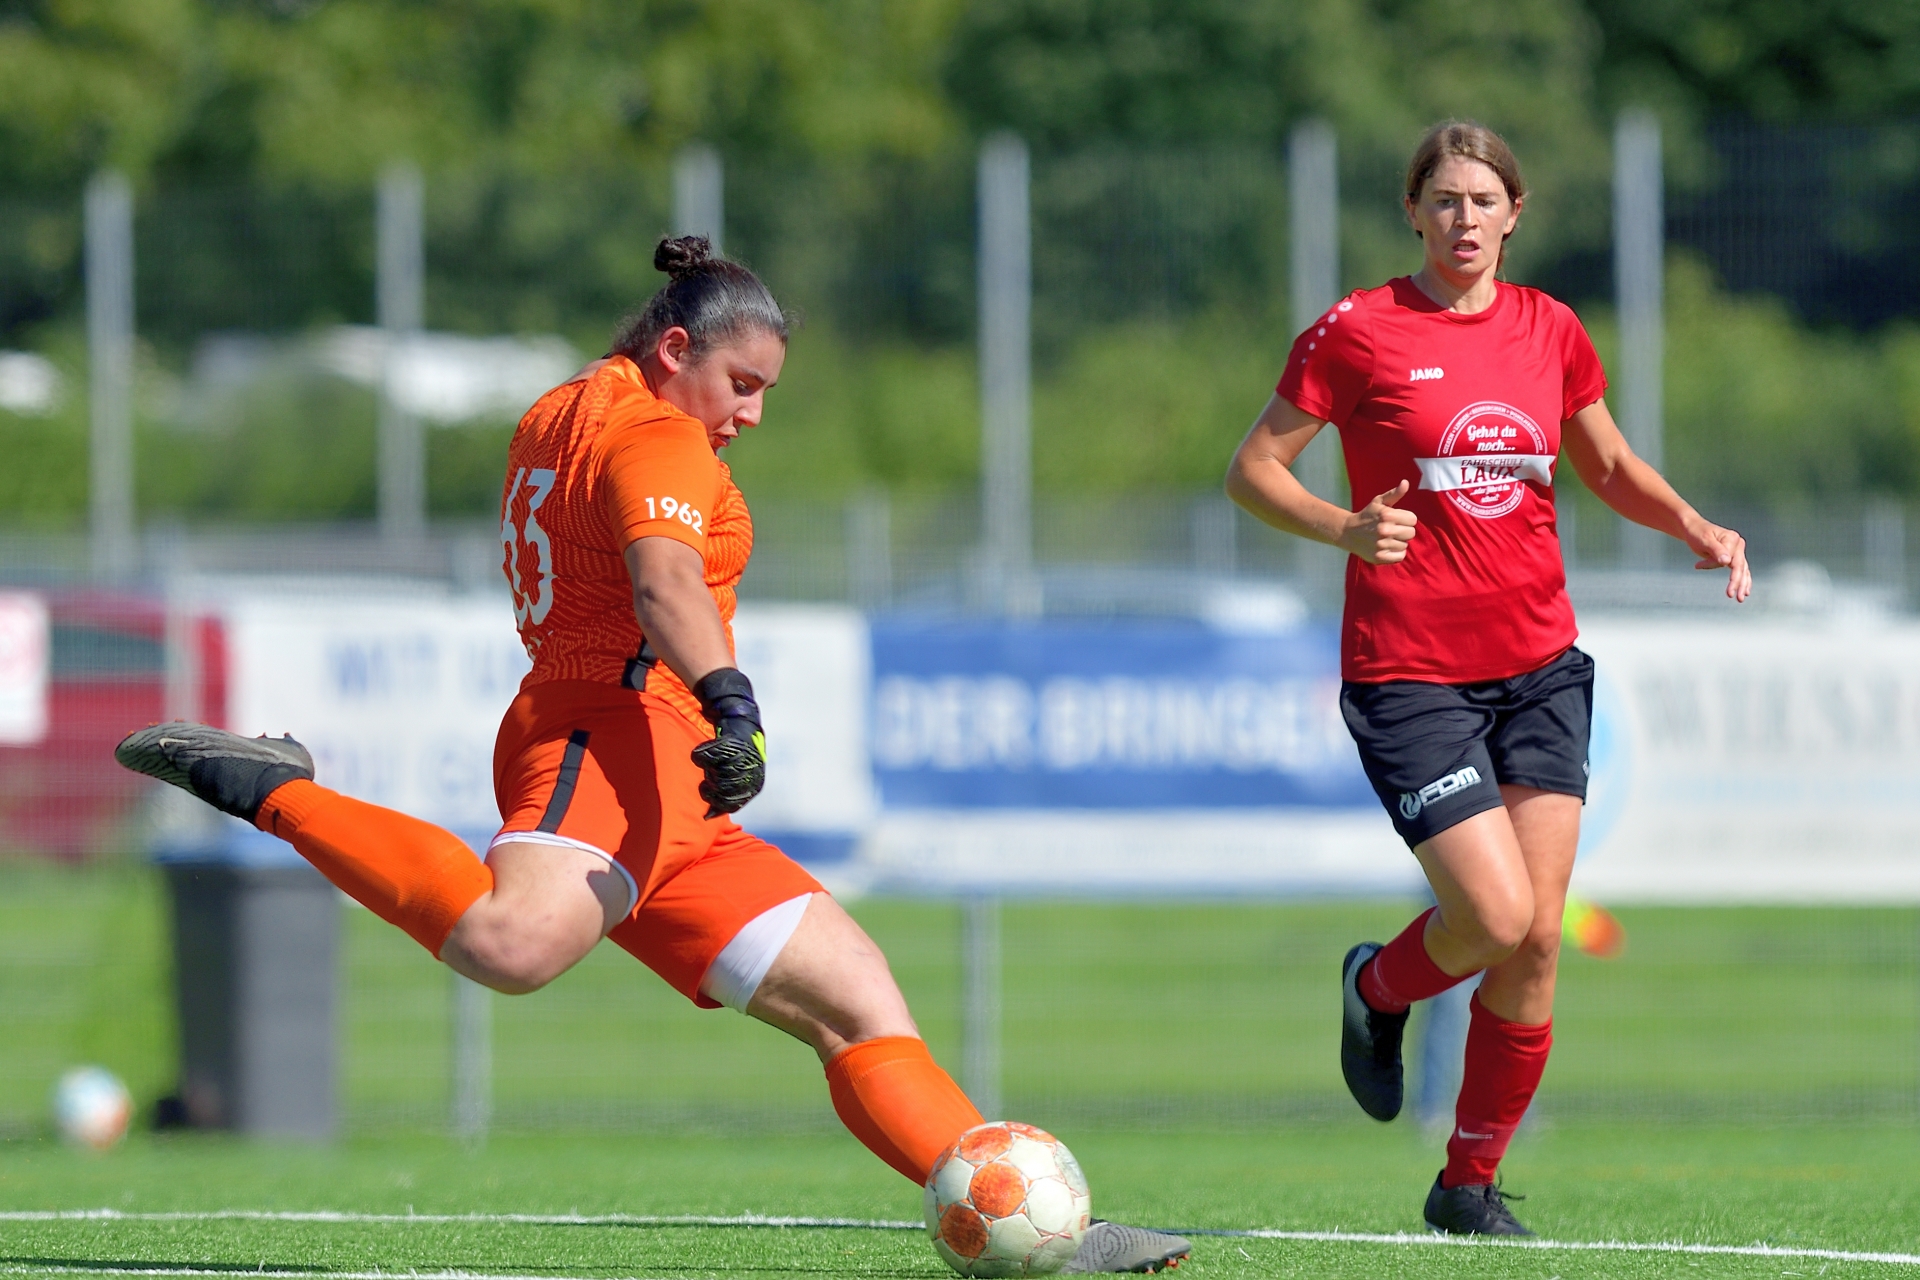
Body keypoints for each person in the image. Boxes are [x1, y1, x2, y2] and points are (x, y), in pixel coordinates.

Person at [118, 236, 1188, 1275]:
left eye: (764, 390)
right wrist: (733, 701)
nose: (751, 413)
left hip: (661, 775)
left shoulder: (562, 407)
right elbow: (664, 580)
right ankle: (277, 788)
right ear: (675, 350)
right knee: (510, 942)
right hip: (615, 735)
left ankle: (1040, 1225)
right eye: (742, 383)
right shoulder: (658, 432)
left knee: (858, 1002)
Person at [1225, 122, 1750, 1236]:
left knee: (1541, 936)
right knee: (1496, 914)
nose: (1464, 218)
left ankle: (1467, 1184)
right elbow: (1254, 469)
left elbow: (1608, 463)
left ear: (1516, 214)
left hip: (1541, 669)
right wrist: (1343, 527)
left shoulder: (1550, 327)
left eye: (1483, 199)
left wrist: (1694, 526)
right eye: (1444, 199)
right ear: (1413, 212)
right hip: (1410, 674)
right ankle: (1375, 988)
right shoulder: (1359, 330)